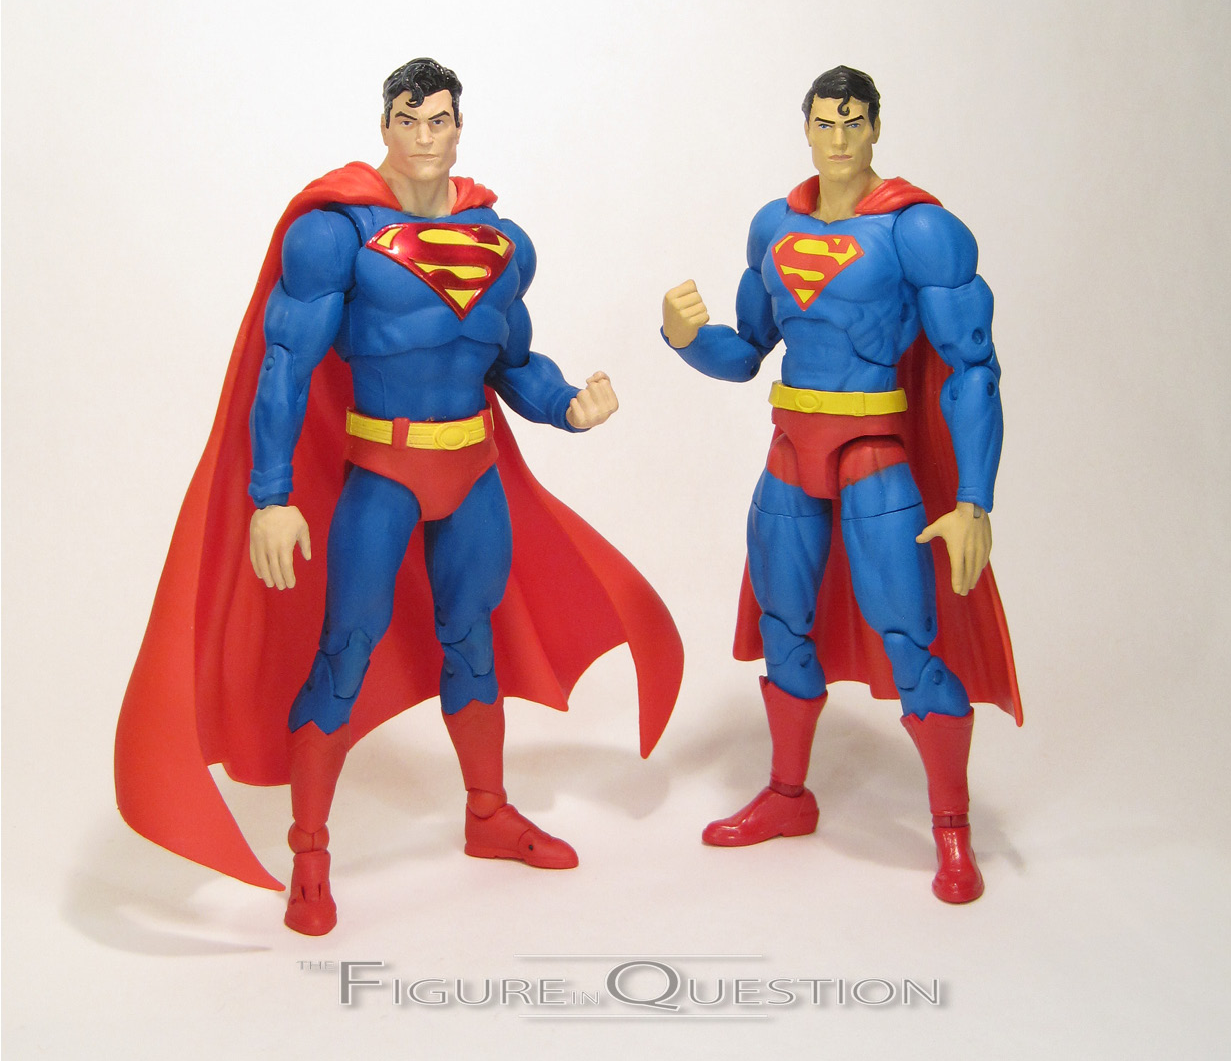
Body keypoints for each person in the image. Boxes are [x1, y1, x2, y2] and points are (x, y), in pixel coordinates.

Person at [116, 58, 682, 935]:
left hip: (472, 474)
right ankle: (310, 855)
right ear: (384, 126)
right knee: (343, 653)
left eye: (439, 120)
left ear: (460, 128)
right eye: (409, 119)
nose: (424, 136)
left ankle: (487, 812)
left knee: (474, 644)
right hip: (382, 474)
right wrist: (271, 494)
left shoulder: (502, 241)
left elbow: (513, 362)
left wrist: (568, 405)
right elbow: (286, 365)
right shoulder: (335, 233)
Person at [661, 65, 1019, 903]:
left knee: (908, 635)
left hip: (872, 449)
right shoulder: (773, 226)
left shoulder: (918, 229)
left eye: (853, 121)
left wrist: (974, 501)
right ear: (806, 128)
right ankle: (788, 794)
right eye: (824, 122)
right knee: (784, 624)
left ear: (875, 126)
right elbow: (746, 353)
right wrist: (684, 338)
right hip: (792, 448)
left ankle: (951, 829)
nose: (838, 137)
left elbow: (972, 367)